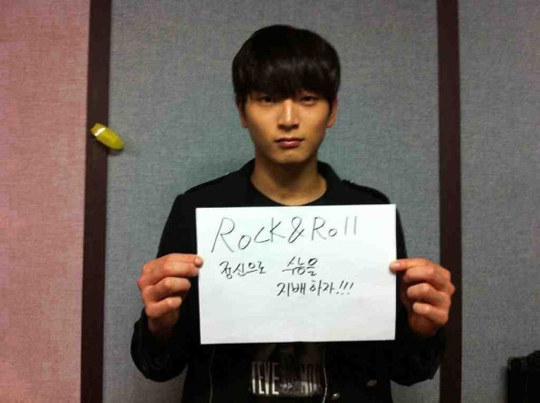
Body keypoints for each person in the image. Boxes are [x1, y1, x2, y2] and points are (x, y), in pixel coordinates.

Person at [131, 25, 455, 402]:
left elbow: (406, 370)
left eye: (307, 98)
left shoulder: (369, 214)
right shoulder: (198, 210)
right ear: (242, 110)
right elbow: (159, 367)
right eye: (268, 99)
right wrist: (159, 324)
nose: (288, 118)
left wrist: (422, 328)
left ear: (332, 110)